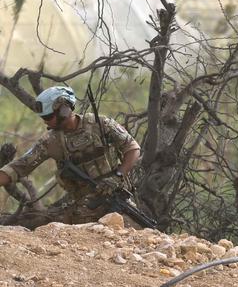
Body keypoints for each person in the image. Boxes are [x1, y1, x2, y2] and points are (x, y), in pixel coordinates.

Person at [0, 85, 140, 229]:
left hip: (117, 201)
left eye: (48, 117)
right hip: (84, 209)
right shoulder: (50, 142)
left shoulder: (101, 124)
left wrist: (117, 176)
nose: (45, 121)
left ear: (64, 109)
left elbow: (133, 148)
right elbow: (19, 167)